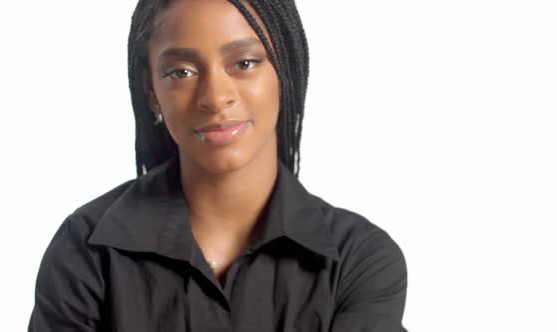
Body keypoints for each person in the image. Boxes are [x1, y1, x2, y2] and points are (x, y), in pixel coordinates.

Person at [27, 0, 408, 331]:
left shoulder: (358, 262)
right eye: (181, 72)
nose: (215, 97)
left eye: (244, 63)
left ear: (284, 72)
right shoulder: (86, 249)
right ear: (151, 91)